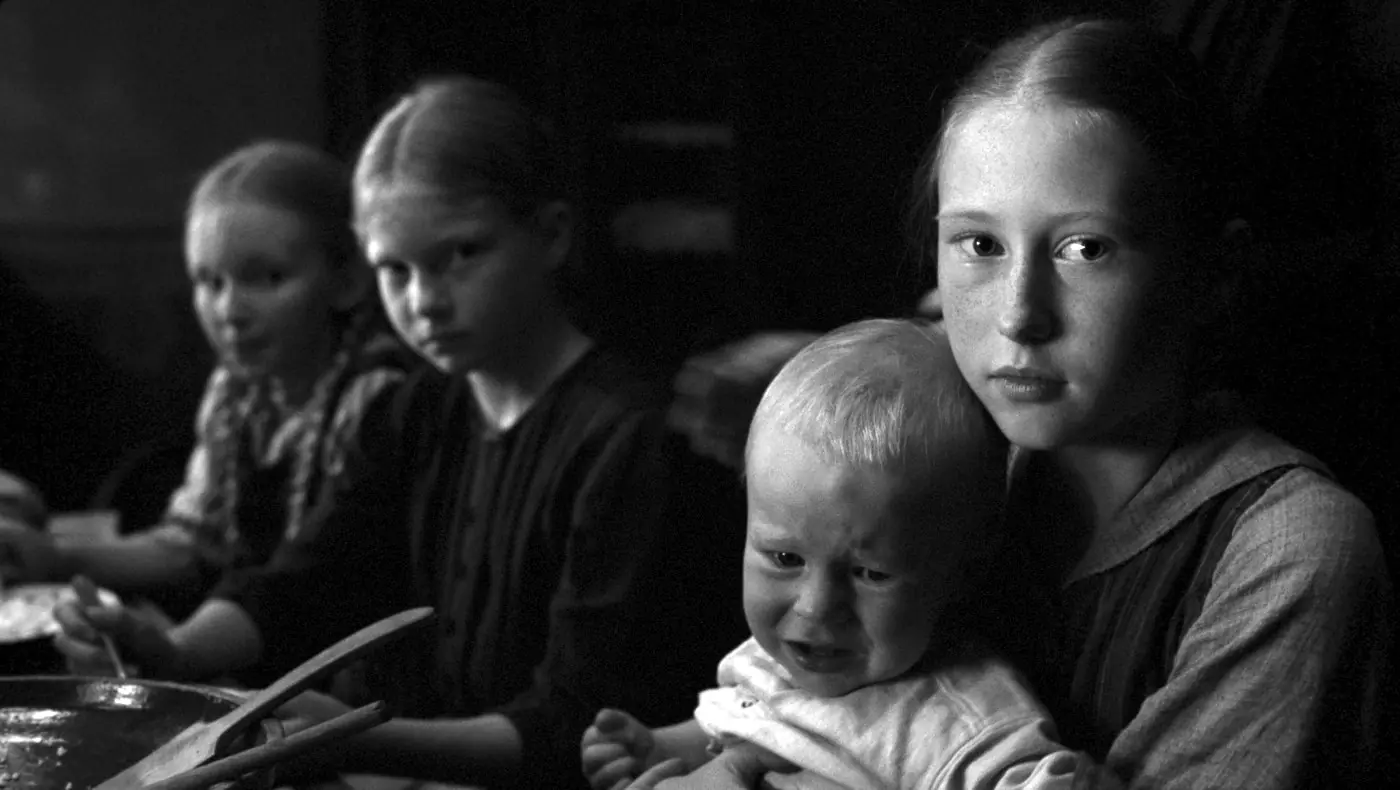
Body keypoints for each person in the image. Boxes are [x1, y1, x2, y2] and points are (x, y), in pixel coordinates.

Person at [630, 17, 1392, 790]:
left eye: (1086, 249)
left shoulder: (1287, 552)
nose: (1018, 316)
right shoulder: (937, 450)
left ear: (1213, 273)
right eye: (980, 245)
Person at [55, 76, 742, 788]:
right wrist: (171, 650)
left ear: (552, 234)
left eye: (462, 255)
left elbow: (573, 724)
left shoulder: (627, 438)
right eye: (394, 268)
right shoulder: (416, 411)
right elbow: (305, 579)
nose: (423, 302)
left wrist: (359, 742)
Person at [583, 319, 1092, 790]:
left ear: (962, 572)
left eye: (870, 573)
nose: (815, 607)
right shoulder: (773, 660)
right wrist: (657, 748)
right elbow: (746, 727)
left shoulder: (964, 727)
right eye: (784, 558)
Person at [2, 141, 413, 674]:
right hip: (247, 656)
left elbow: (315, 583)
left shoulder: (375, 398)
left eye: (266, 278)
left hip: (343, 678)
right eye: (209, 282)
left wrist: (179, 652)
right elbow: (196, 544)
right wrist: (55, 558)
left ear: (348, 280)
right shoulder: (239, 394)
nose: (229, 310)